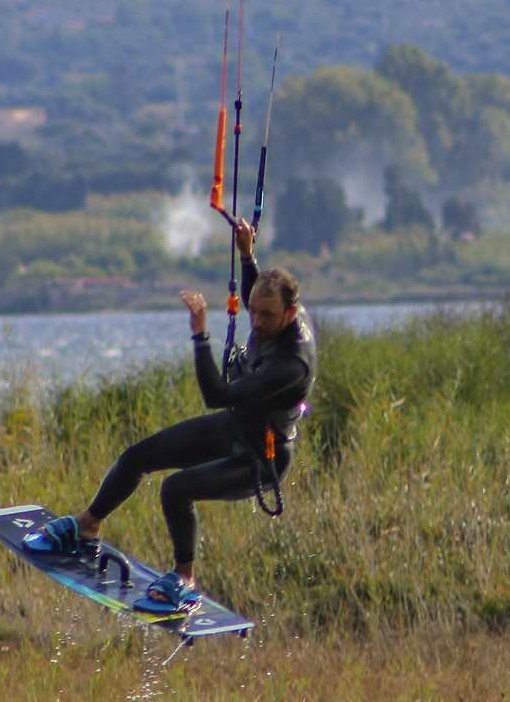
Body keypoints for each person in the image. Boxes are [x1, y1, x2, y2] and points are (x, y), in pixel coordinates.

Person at [21, 217, 314, 615]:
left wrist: (200, 336)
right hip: (236, 427)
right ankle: (87, 524)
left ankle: (184, 579)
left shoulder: (292, 364)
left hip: (262, 457)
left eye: (267, 316)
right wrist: (247, 257)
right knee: (136, 457)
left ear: (291, 312)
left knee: (175, 490)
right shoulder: (272, 306)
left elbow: (216, 395)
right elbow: (256, 293)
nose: (257, 322)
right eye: (254, 312)